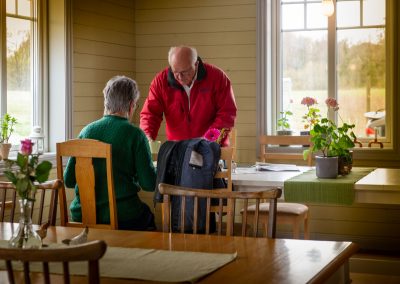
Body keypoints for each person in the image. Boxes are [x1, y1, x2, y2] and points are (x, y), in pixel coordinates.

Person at [64, 75, 157, 231]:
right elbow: (149, 184)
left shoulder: (86, 131)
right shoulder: (135, 135)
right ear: (132, 105)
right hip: (123, 216)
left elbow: (69, 180)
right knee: (148, 216)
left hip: (82, 215)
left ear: (106, 101)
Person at [140, 46, 237, 146]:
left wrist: (208, 141)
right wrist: (146, 137)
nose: (180, 77)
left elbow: (227, 114)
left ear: (196, 64)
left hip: (212, 146)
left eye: (185, 72)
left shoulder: (218, 78)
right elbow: (150, 114)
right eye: (176, 72)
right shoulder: (160, 82)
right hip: (177, 148)